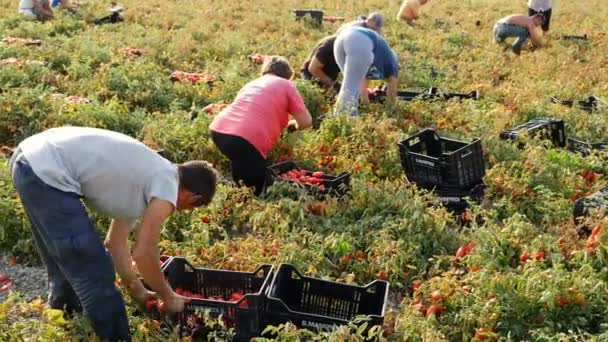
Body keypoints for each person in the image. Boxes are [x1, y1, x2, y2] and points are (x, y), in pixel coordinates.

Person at [9, 126, 219, 341]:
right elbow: (144, 253)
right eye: (190, 207)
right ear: (193, 197)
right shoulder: (168, 184)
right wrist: (168, 296)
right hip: (46, 168)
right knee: (93, 267)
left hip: (29, 160)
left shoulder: (147, 178)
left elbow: (115, 243)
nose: (179, 210)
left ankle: (67, 318)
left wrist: (137, 289)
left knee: (65, 258)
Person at [209, 56, 313, 196]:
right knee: (258, 184)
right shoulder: (286, 85)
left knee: (241, 167)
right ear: (288, 75)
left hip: (219, 130)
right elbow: (306, 122)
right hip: (247, 138)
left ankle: (237, 200)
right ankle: (249, 204)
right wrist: (293, 125)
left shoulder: (252, 83)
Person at [333, 26, 399, 116]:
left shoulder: (382, 55)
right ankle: (346, 121)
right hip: (360, 41)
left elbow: (362, 90)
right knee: (351, 87)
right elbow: (392, 92)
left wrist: (367, 108)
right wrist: (392, 111)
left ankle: (339, 117)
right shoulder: (393, 63)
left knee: (350, 85)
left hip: (341, 38)